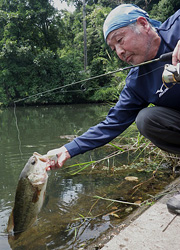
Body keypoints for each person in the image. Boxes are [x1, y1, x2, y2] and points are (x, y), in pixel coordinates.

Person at [46, 4, 180, 213]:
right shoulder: (136, 82)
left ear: (143, 24)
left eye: (120, 40)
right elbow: (111, 124)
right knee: (147, 119)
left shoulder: (176, 27)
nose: (119, 51)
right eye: (113, 48)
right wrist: (68, 149)